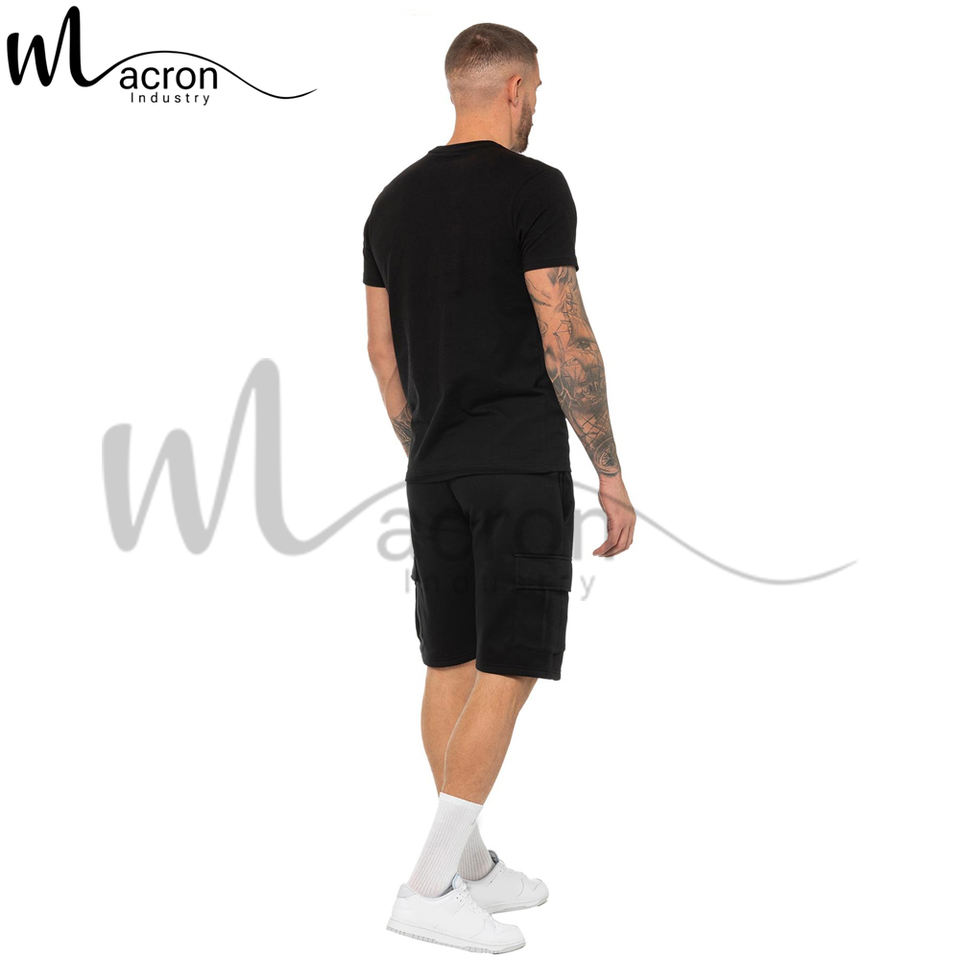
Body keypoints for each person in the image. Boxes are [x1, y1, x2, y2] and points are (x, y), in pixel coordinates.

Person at [363, 22, 635, 953]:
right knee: (511, 665)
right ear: (515, 88)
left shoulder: (391, 203)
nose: (537, 107)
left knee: (451, 661)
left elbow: (381, 356)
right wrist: (609, 470)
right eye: (538, 92)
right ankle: (427, 887)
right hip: (517, 463)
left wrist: (431, 450)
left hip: (433, 467)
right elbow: (567, 334)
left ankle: (472, 867)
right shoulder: (535, 186)